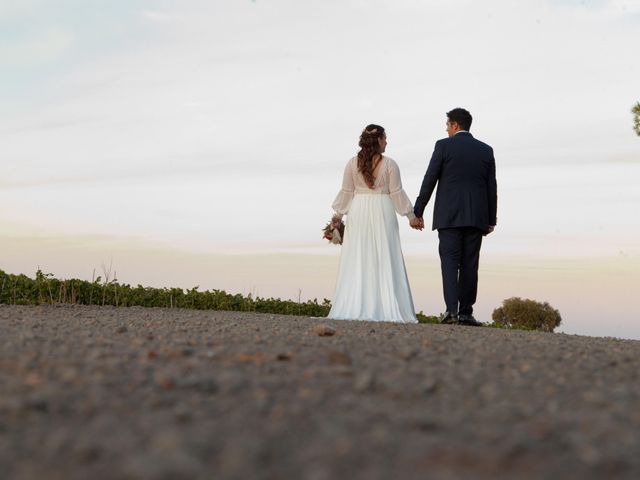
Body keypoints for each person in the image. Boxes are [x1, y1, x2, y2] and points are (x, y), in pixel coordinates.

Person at [411, 108, 497, 326]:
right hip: (476, 217)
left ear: (455, 125)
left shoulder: (443, 146)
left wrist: (418, 210)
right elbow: (491, 187)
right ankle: (466, 313)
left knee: (449, 263)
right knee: (470, 264)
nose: (446, 129)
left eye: (447, 125)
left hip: (448, 216)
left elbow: (430, 178)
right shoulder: (486, 150)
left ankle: (451, 312)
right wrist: (491, 219)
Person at [328, 124, 417, 323]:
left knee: (359, 255)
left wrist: (337, 217)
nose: (387, 142)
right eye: (385, 138)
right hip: (383, 211)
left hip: (358, 211)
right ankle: (386, 305)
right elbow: (396, 193)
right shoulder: (390, 164)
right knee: (385, 254)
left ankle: (356, 304)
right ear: (378, 141)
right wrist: (411, 216)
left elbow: (347, 193)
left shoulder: (352, 164)